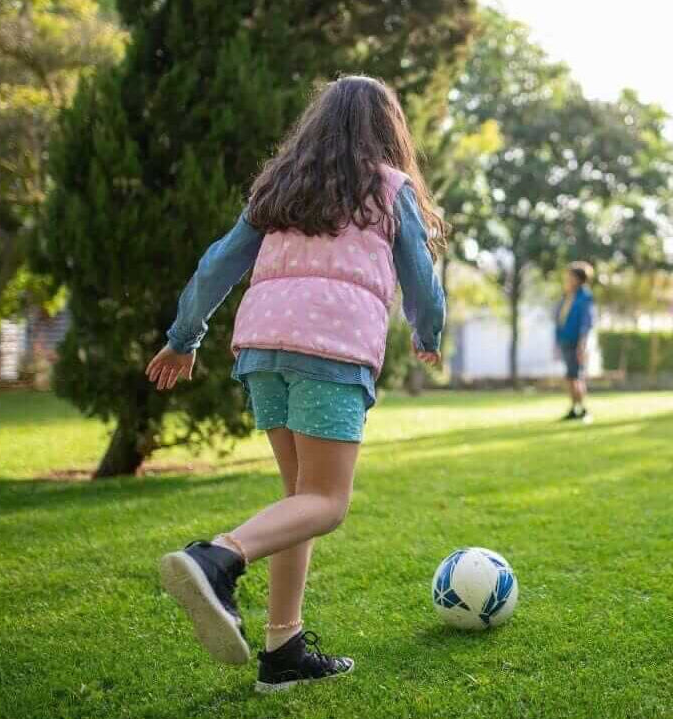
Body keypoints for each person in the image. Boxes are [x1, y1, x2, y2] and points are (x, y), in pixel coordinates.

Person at [143, 76, 445, 693]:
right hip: (329, 352)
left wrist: (184, 337)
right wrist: (428, 331)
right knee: (327, 503)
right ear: (389, 131)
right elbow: (419, 270)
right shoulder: (390, 189)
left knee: (297, 501)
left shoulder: (281, 189)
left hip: (262, 350)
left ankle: (284, 649)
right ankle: (217, 557)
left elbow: (217, 263)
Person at [555, 261, 595, 421]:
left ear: (579, 279)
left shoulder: (585, 297)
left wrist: (583, 342)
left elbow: (587, 321)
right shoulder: (567, 296)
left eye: (570, 277)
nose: (567, 279)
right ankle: (574, 407)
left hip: (577, 341)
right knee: (570, 376)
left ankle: (582, 408)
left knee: (576, 375)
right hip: (565, 339)